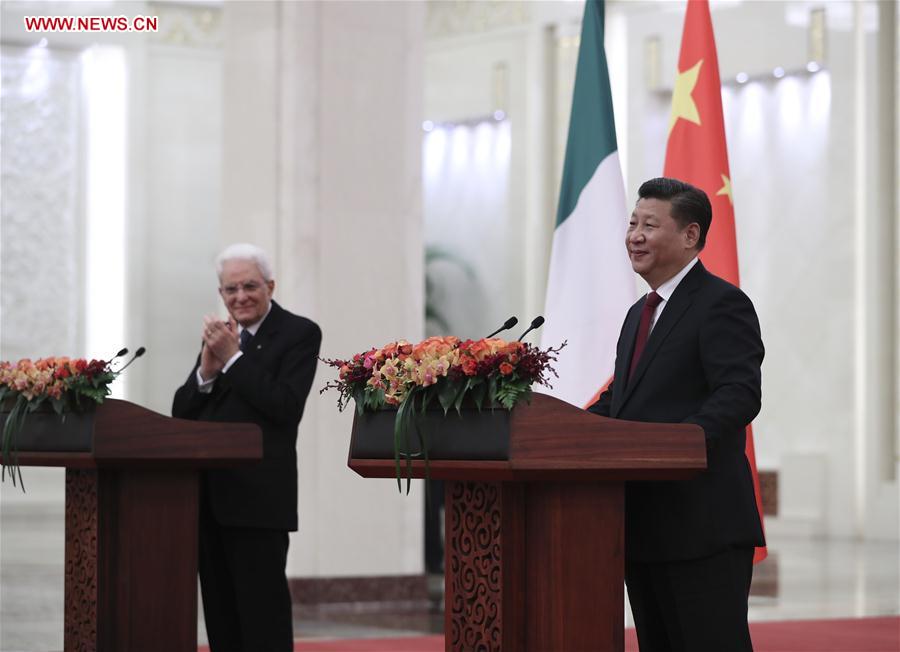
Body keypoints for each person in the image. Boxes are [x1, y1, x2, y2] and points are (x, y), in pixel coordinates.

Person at [589, 177, 765, 652]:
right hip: (643, 525)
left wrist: (678, 444)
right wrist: (565, 426)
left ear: (690, 235)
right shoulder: (638, 313)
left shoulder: (721, 304)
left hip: (701, 526)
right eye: (632, 223)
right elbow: (621, 402)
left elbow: (739, 393)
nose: (634, 235)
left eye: (649, 224)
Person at [172, 243, 321, 652]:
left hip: (258, 503)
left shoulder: (299, 333)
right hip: (209, 501)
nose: (240, 297)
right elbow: (181, 416)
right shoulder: (222, 338)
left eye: (250, 286)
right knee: (222, 620)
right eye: (230, 289)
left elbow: (284, 407)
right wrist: (206, 370)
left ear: (270, 286)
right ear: (220, 294)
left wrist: (233, 359)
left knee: (263, 620)